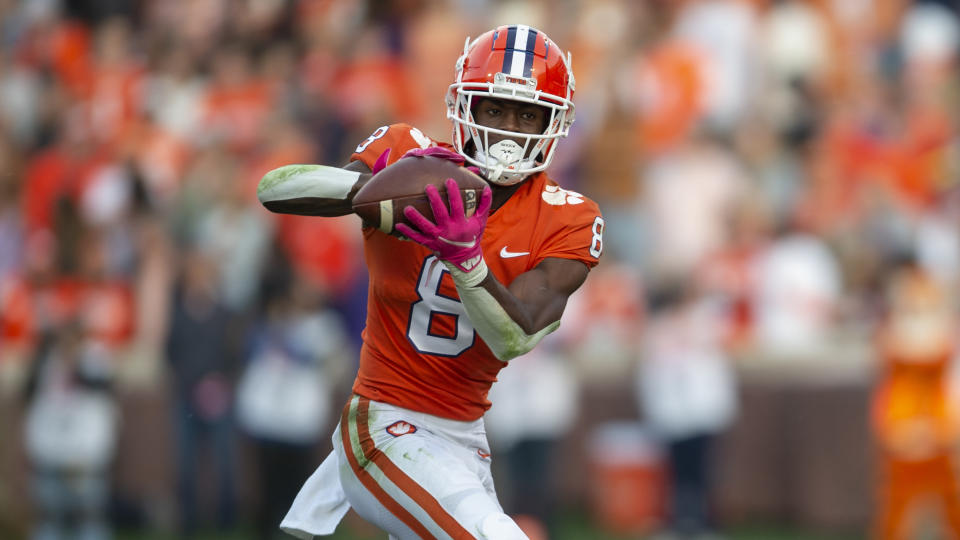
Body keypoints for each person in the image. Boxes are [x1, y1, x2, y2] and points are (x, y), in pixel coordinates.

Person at [257, 24, 604, 539]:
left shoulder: (568, 216)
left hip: (464, 437)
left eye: (528, 114)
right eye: (494, 109)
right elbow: (276, 190)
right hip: (384, 422)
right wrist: (384, 195)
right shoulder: (406, 151)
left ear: (555, 122)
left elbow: (516, 336)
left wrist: (466, 258)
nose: (510, 128)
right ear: (465, 107)